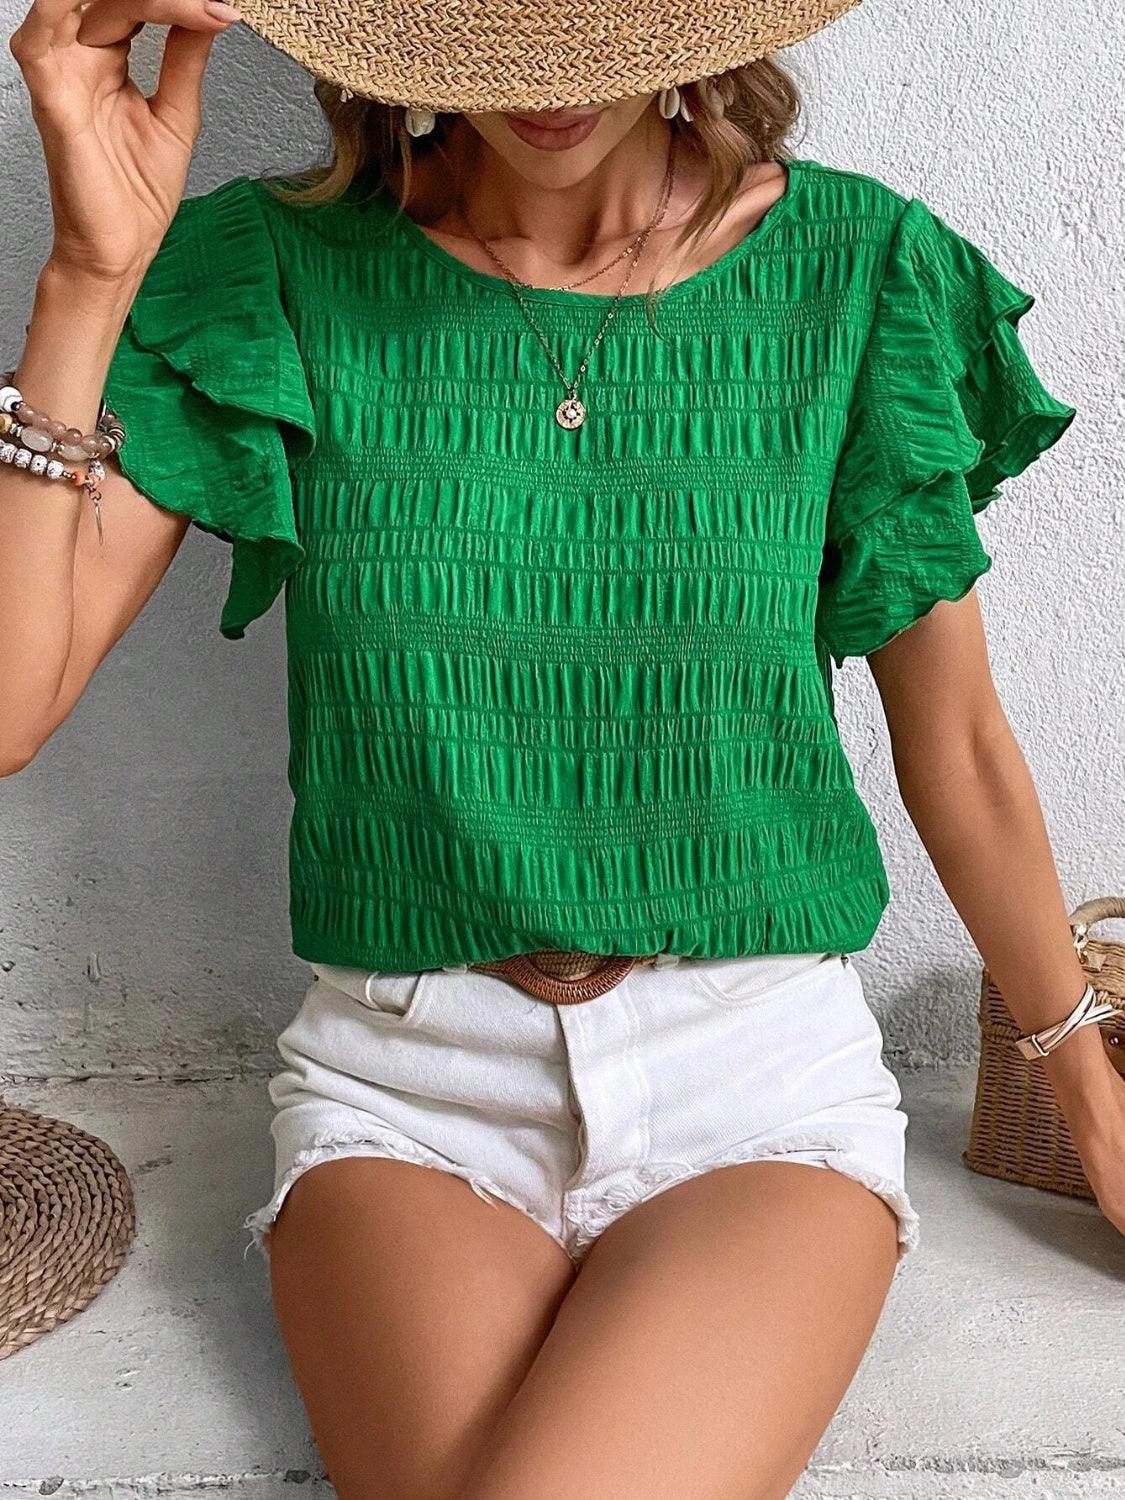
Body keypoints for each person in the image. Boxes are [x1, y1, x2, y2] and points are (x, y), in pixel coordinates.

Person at [3, 0, 1122, 1493]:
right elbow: (13, 708)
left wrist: (1090, 1105)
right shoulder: (270, 270)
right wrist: (87, 276)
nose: (547, 87)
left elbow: (964, 746)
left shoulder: (858, 273)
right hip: (406, 1087)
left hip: (753, 1085)